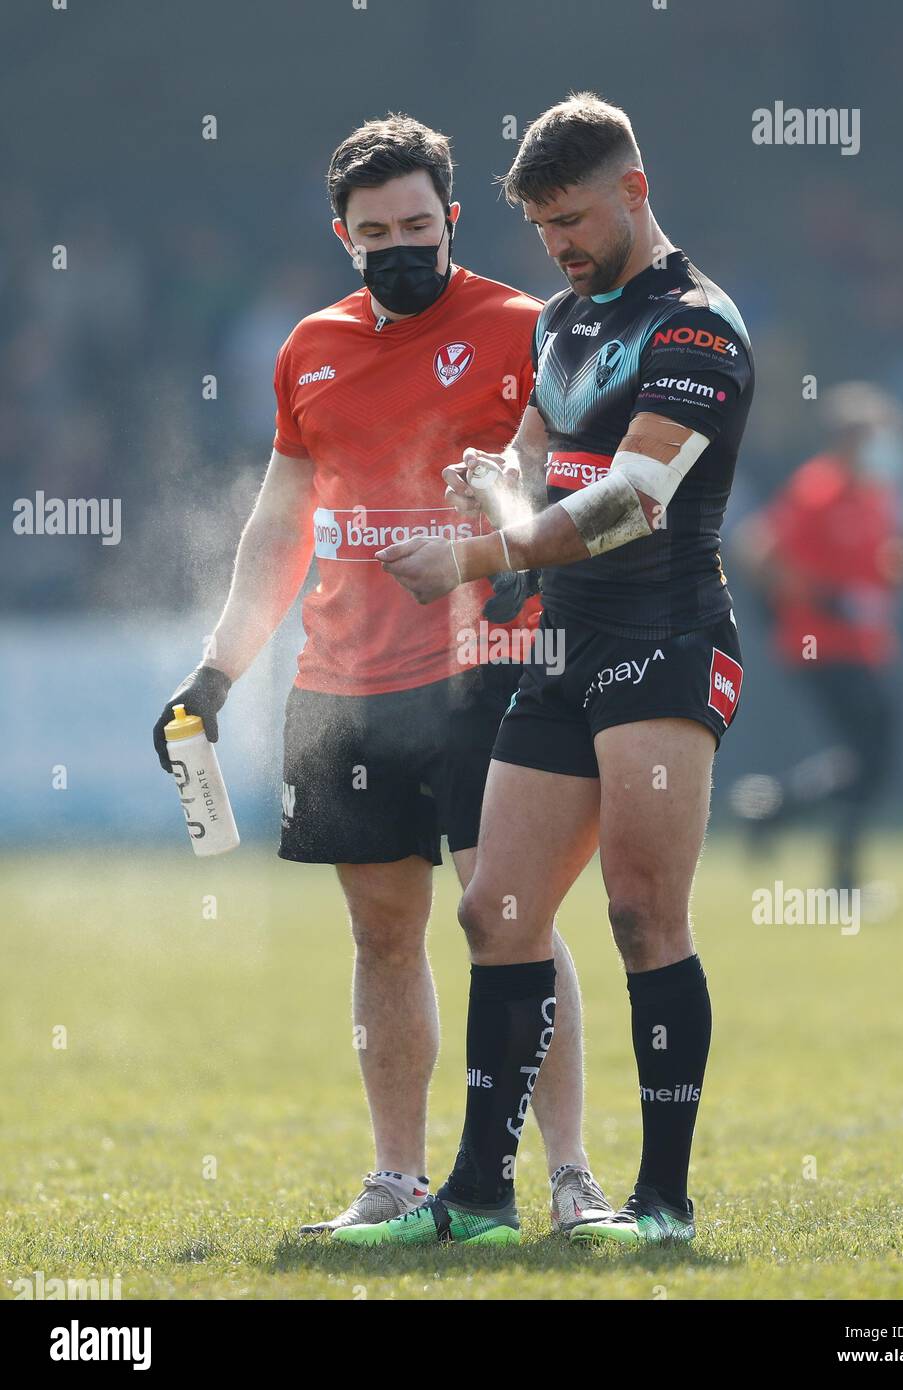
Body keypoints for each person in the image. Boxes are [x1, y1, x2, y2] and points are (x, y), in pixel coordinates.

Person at [152, 114, 611, 1237]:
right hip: (343, 679)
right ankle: (398, 1181)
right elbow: (276, 522)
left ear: (452, 217)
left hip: (488, 666)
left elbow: (551, 469)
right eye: (375, 233)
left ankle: (570, 1178)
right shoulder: (308, 346)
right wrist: (217, 671)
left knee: (506, 914)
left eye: (419, 225)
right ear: (341, 235)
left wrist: (510, 542)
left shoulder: (524, 324)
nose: (399, 244)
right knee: (380, 931)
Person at [330, 93, 755, 1248]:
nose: (558, 246)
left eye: (572, 218)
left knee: (637, 914)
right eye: (540, 229)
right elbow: (538, 472)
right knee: (494, 911)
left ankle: (660, 1206)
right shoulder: (562, 319)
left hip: (663, 644)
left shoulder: (698, 327)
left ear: (635, 189)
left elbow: (628, 501)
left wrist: (480, 546)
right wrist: (493, 487)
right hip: (560, 646)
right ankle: (473, 1198)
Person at [731, 382, 903, 890]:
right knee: (868, 754)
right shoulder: (817, 489)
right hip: (824, 647)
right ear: (851, 438)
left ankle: (774, 810)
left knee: (872, 756)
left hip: (867, 645)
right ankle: (842, 876)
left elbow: (875, 563)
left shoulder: (874, 493)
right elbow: (758, 552)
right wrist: (818, 599)